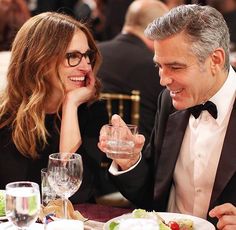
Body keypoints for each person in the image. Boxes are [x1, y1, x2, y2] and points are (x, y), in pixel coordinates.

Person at [98, 4, 236, 229]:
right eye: (159, 66)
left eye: (175, 67)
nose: (163, 80)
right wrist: (130, 161)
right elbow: (151, 195)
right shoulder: (168, 101)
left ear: (216, 60)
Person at [0, 11, 108, 204]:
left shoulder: (92, 111)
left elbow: (74, 196)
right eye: (73, 56)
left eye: (87, 55)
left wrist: (70, 106)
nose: (86, 66)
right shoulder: (6, 115)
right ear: (40, 60)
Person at [98, 0, 168, 146]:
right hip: (142, 157)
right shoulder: (158, 67)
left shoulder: (92, 56)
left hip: (91, 154)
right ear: (158, 30)